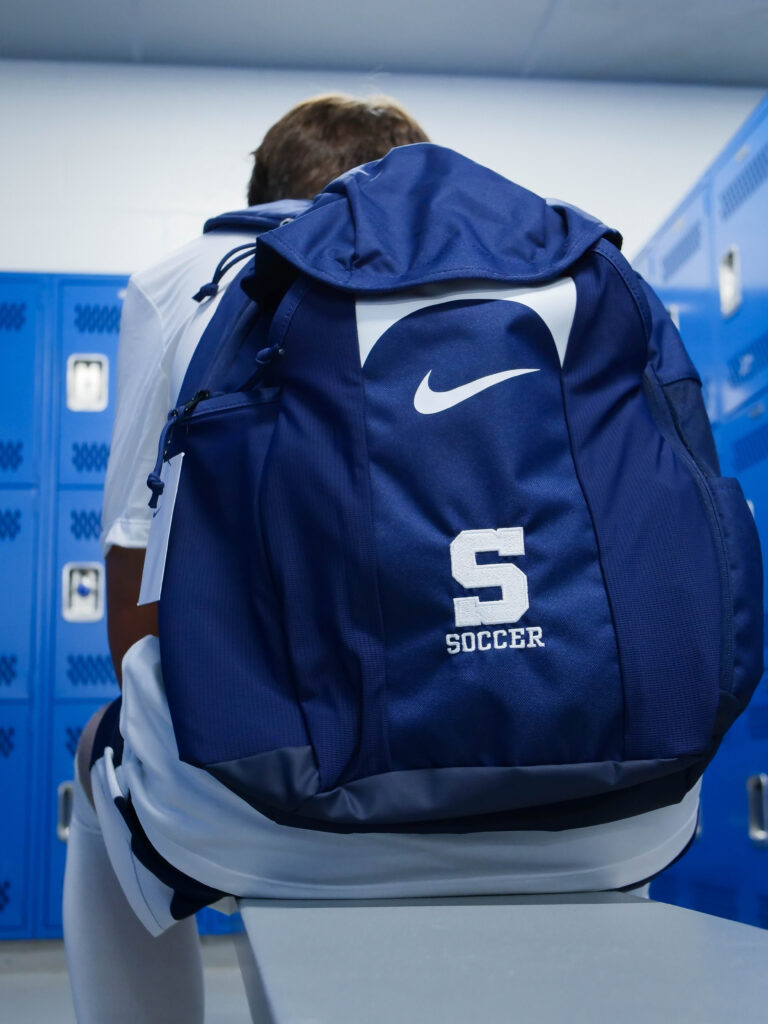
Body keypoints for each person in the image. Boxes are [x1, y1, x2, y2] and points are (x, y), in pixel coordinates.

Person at [63, 95, 702, 1024]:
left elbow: (134, 569)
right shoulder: (561, 276)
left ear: (264, 194)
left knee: (102, 754)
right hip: (623, 817)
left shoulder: (191, 276)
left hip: (279, 818)